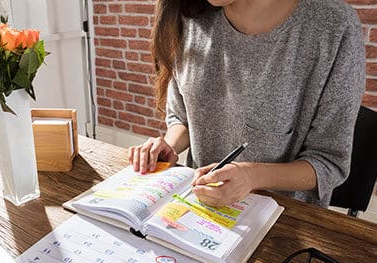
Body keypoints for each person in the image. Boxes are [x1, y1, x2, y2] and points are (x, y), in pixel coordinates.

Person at [128, 0, 365, 207]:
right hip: (198, 206)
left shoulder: (333, 26)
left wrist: (251, 176)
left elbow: (329, 163)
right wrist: (169, 145)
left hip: (282, 220)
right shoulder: (190, 18)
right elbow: (182, 118)